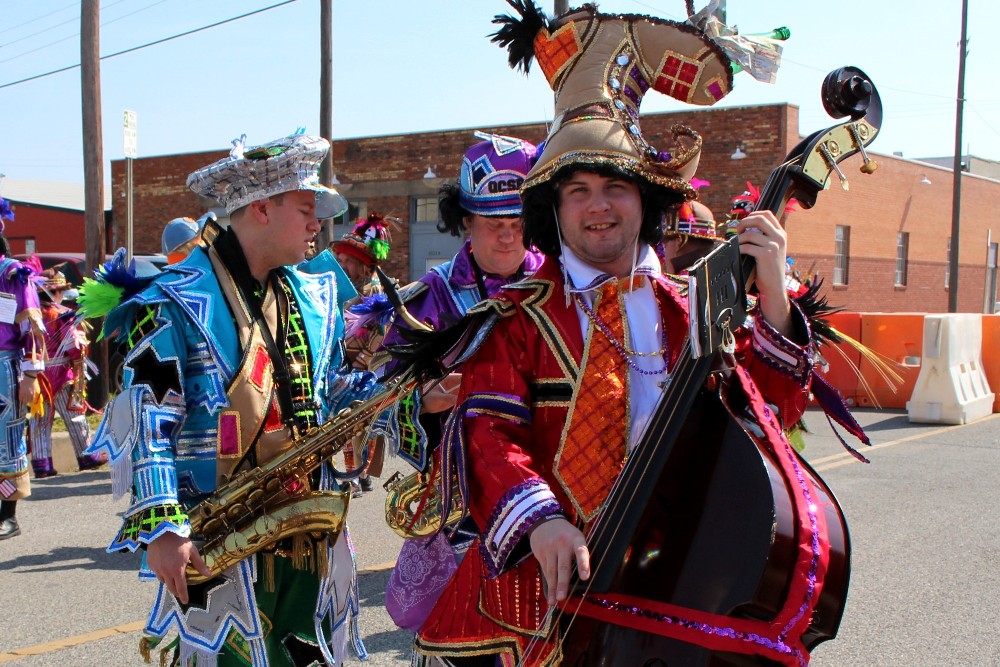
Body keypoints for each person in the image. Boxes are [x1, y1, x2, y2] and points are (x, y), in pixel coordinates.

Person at [410, 4, 827, 665]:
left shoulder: (688, 309)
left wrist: (772, 296)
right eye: (576, 190)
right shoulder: (519, 318)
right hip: (542, 594)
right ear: (554, 209)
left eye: (614, 185)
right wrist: (542, 516)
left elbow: (768, 419)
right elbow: (489, 432)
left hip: (674, 585)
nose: (597, 205)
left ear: (647, 199)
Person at [81, 133, 378, 666]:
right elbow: (146, 417)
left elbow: (330, 390)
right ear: (263, 209)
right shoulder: (177, 299)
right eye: (307, 210)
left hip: (309, 528)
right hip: (221, 540)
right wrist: (162, 528)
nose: (318, 225)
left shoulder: (311, 296)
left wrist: (406, 393)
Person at [378, 132, 542, 637]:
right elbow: (376, 397)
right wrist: (419, 402)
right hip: (462, 501)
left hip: (553, 492)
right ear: (465, 222)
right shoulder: (427, 300)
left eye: (519, 224)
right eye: (495, 224)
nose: (508, 238)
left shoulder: (560, 286)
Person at [331, 212, 395, 495]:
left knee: (360, 426)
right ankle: (356, 474)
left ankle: (359, 474)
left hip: (363, 369)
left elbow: (379, 335)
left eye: (348, 261)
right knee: (346, 427)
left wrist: (359, 366)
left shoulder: (375, 293)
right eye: (340, 260)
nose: (342, 265)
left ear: (361, 264)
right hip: (339, 365)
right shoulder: (336, 290)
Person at [26, 264, 104, 478]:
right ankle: (87, 455)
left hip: (37, 377)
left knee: (40, 421)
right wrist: (78, 363)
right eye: (61, 292)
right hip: (61, 375)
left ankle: (42, 465)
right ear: (55, 292)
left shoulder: (29, 316)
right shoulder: (60, 316)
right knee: (74, 415)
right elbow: (74, 346)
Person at [0, 197, 45, 540]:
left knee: (8, 437)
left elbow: (32, 326)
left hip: (6, 367)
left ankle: (8, 514)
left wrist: (31, 375)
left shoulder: (13, 275)